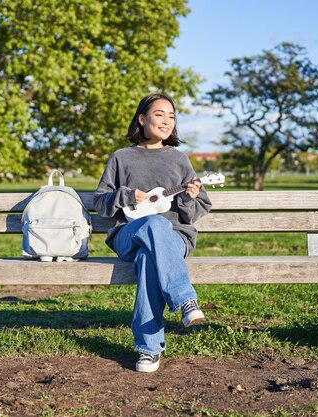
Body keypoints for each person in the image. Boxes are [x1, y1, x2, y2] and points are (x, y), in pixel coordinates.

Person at [93, 93, 212, 373]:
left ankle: (148, 350)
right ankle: (185, 300)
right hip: (128, 235)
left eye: (171, 116)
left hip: (174, 239)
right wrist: (126, 195)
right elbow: (100, 202)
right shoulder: (121, 158)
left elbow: (197, 210)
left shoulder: (179, 160)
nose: (166, 121)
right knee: (155, 225)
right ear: (142, 119)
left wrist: (188, 197)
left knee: (151, 254)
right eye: (159, 114)